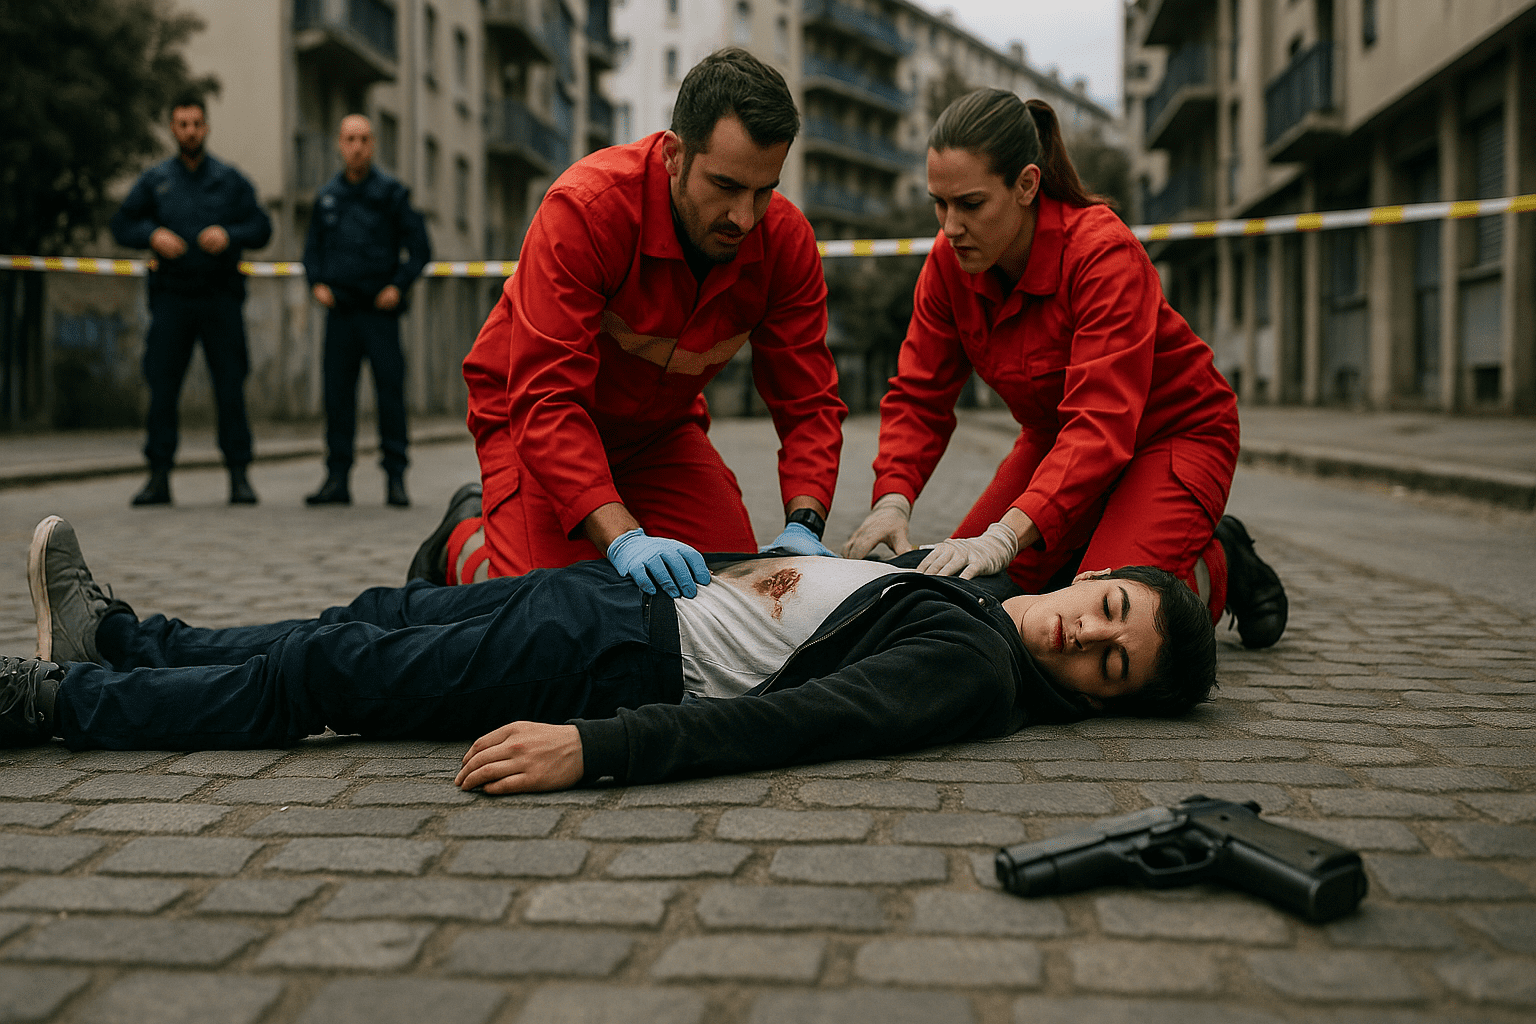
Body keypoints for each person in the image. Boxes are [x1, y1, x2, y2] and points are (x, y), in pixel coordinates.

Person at [4, 515, 1216, 793]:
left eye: (1113, 664)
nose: (1087, 635)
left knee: (334, 678)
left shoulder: (973, 673)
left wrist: (594, 749)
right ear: (1095, 575)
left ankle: (61, 699)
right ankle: (122, 633)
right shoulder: (983, 594)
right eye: (1110, 608)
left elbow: (788, 727)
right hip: (630, 596)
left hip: (619, 660)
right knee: (359, 625)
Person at [842, 89, 1287, 650]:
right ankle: (1088, 540)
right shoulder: (949, 262)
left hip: (1172, 435)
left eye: (971, 204)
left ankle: (1220, 561)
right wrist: (892, 497)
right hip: (1059, 442)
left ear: (1027, 185)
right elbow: (919, 394)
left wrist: (1007, 534)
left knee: (1100, 616)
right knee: (962, 594)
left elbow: (1101, 422)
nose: (950, 226)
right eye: (940, 203)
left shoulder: (1102, 254)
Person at [442, 48, 847, 599]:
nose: (744, 218)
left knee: (731, 596)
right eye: (726, 186)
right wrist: (625, 538)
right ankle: (464, 542)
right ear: (675, 155)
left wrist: (805, 522)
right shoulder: (586, 211)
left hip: (659, 430)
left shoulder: (786, 242)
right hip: (535, 418)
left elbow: (807, 402)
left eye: (764, 190)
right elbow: (545, 397)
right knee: (550, 613)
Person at [110, 96, 273, 507]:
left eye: (196, 123)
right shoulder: (156, 180)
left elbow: (261, 226)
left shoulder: (230, 179)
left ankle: (239, 477)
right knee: (162, 388)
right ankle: (158, 478)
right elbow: (121, 224)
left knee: (230, 388)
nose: (190, 131)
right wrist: (151, 235)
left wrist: (230, 235)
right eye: (182, 124)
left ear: (206, 127)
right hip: (172, 300)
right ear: (172, 128)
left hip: (221, 301)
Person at [302, 114, 433, 508]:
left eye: (363, 139)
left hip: (380, 313)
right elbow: (311, 253)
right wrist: (317, 283)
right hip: (340, 312)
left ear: (373, 144)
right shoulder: (327, 196)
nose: (356, 146)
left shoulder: (392, 193)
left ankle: (396, 479)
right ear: (340, 145)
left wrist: (399, 286)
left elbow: (421, 251)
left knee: (389, 396)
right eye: (349, 139)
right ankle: (337, 479)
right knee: (337, 397)